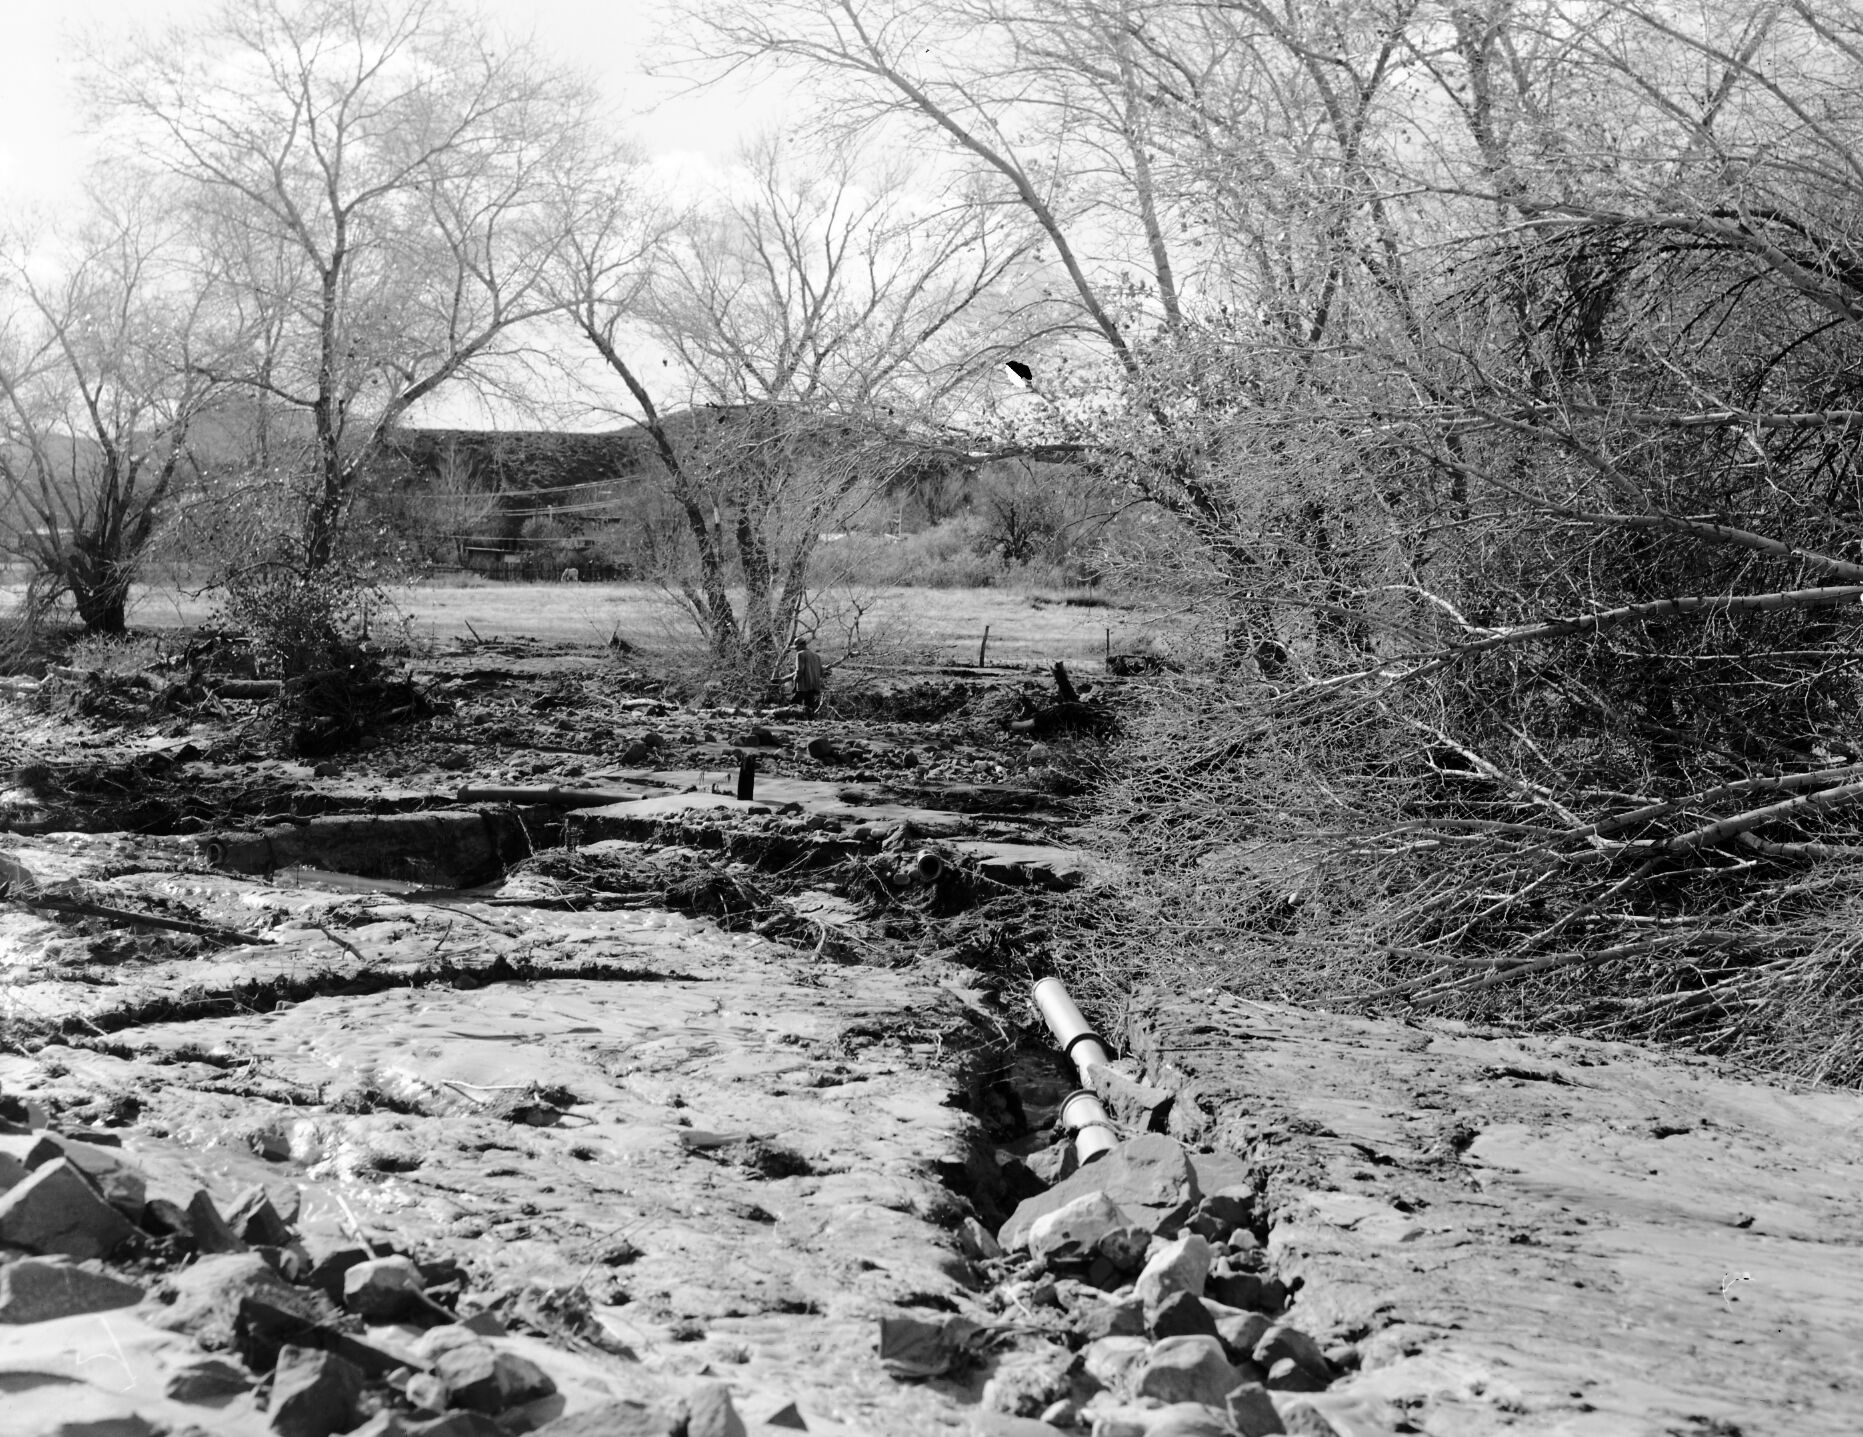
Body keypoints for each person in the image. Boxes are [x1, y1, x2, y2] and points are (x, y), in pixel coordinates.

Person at [788, 636, 826, 716]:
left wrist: (795, 685)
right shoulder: (816, 656)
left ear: (801, 645)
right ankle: (810, 722)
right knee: (809, 706)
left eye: (796, 647)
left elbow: (799, 671)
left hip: (803, 686)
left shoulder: (800, 654)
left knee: (793, 704)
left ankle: (790, 720)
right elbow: (821, 672)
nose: (796, 649)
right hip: (814, 686)